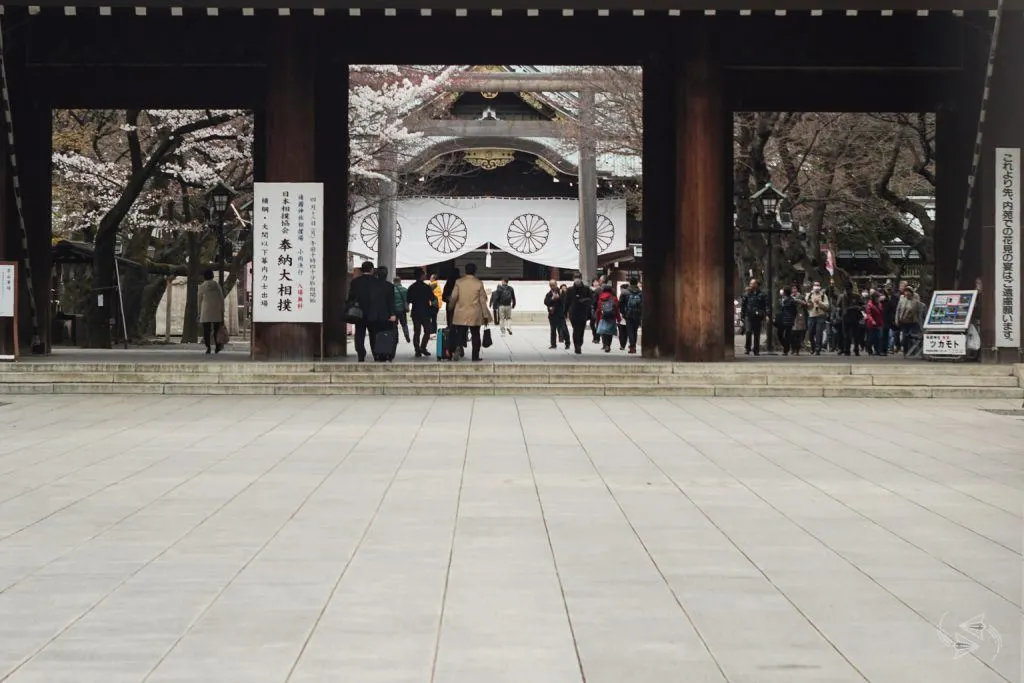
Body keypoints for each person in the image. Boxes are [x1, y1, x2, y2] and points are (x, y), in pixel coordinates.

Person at [346, 261, 398, 362]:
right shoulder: (377, 282)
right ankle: (376, 354)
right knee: (373, 334)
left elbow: (351, 297)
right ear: (372, 270)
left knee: (359, 334)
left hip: (358, 312)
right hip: (373, 312)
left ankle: (361, 354)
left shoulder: (355, 282)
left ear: (361, 270)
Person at [448, 262, 492, 361]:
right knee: (475, 334)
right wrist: (485, 315)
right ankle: (475, 356)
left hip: (460, 312)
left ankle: (458, 348)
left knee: (459, 333)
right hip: (474, 313)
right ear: (475, 271)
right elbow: (483, 301)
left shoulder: (459, 282)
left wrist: (450, 307)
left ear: (465, 270)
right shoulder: (479, 283)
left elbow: (454, 297)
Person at [406, 268, 436, 358]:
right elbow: (433, 299)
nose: (425, 276)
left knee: (417, 332)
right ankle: (423, 347)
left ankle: (417, 350)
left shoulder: (412, 287)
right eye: (424, 274)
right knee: (427, 331)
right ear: (421, 276)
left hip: (415, 312)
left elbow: (408, 300)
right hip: (425, 312)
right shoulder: (427, 287)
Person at [197, 269, 224, 354]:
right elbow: (221, 298)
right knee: (216, 329)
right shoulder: (216, 285)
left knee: (206, 330)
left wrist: (199, 311)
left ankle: (208, 347)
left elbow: (199, 300)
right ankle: (217, 346)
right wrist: (222, 310)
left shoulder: (202, 286)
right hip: (216, 309)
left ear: (204, 276)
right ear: (212, 276)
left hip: (205, 310)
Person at [740, 279, 768, 356]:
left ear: (756, 285)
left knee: (757, 334)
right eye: (750, 283)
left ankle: (756, 350)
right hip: (748, 315)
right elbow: (743, 306)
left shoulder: (761, 294)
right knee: (748, 331)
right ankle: (747, 348)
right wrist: (742, 317)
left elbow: (765, 305)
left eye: (752, 283)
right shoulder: (747, 294)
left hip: (757, 316)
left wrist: (763, 314)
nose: (751, 285)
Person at [566, 277, 593, 355]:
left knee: (581, 330)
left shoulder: (586, 289)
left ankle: (580, 343)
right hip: (573, 312)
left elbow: (591, 299)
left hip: (583, 312)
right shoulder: (570, 289)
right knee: (576, 329)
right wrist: (565, 312)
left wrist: (585, 300)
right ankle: (577, 346)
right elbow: (567, 301)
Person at [837, 280, 864, 357]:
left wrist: (857, 307)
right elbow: (838, 306)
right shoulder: (842, 296)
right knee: (846, 336)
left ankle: (856, 349)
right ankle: (846, 350)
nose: (848, 290)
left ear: (851, 289)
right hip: (845, 318)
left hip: (855, 317)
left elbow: (862, 305)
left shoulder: (856, 296)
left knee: (856, 335)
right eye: (846, 289)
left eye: (849, 289)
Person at [896, 285, 923, 357]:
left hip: (913, 322)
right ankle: (906, 351)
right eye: (906, 291)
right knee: (905, 337)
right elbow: (898, 310)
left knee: (913, 337)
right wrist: (897, 320)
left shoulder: (916, 302)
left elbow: (919, 313)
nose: (907, 293)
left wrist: (920, 323)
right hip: (904, 322)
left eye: (909, 291)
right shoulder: (902, 301)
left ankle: (913, 351)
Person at [544, 280, 570, 350]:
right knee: (553, 330)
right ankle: (553, 344)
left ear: (556, 284)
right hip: (552, 314)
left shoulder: (561, 292)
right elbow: (546, 302)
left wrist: (559, 298)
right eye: (551, 285)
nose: (552, 287)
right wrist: (552, 299)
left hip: (560, 313)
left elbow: (565, 301)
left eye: (553, 285)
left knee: (564, 329)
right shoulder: (549, 294)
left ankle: (567, 343)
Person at [806, 281, 829, 355]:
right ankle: (812, 348)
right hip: (811, 316)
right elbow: (806, 305)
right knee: (810, 333)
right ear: (813, 286)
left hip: (820, 316)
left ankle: (817, 349)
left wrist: (819, 303)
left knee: (819, 333)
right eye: (815, 285)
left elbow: (826, 307)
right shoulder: (809, 295)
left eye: (818, 285)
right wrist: (809, 304)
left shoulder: (823, 296)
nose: (816, 287)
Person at [595, 283, 620, 352]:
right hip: (612, 316)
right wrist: (618, 318)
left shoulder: (601, 297)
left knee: (603, 331)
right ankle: (608, 345)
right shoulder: (614, 298)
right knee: (610, 332)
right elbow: (616, 308)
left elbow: (599, 308)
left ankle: (605, 344)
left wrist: (597, 317)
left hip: (602, 316)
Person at [621, 278, 643, 354]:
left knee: (629, 330)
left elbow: (621, 304)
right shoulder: (641, 292)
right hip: (637, 313)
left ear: (630, 283)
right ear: (637, 283)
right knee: (635, 330)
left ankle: (632, 346)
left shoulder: (625, 292)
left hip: (628, 314)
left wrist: (623, 313)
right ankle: (634, 346)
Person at [777, 287, 798, 355]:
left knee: (787, 335)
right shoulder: (782, 299)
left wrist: (792, 317)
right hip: (782, 319)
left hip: (788, 319)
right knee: (780, 334)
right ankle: (787, 347)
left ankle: (787, 349)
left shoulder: (791, 300)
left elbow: (794, 311)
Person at [865, 291, 886, 356]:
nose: (878, 299)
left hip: (879, 323)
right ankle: (869, 349)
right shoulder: (869, 304)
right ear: (874, 298)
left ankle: (878, 351)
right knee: (871, 338)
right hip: (872, 324)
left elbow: (882, 312)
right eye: (877, 297)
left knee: (879, 337)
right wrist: (872, 321)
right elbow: (869, 314)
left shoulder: (879, 304)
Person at [392, 277, 410, 344]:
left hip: (394, 310)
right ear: (400, 281)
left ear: (393, 281)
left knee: (394, 325)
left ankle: (396, 338)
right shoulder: (405, 289)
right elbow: (407, 300)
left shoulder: (391, 290)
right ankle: (406, 335)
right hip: (402, 310)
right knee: (404, 324)